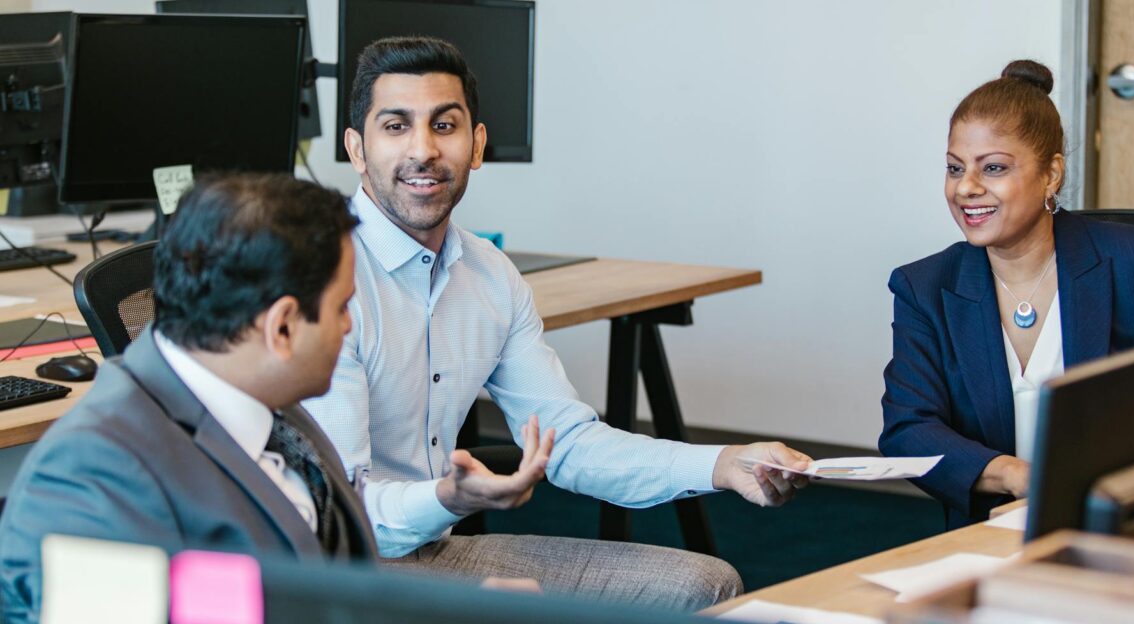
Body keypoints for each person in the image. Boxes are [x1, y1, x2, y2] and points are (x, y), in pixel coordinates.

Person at [302, 36, 812, 610]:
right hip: (331, 566)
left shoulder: (490, 275)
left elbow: (567, 443)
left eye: (444, 126)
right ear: (356, 148)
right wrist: (447, 497)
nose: (422, 149)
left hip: (435, 551)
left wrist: (721, 464)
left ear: (476, 145)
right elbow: (341, 507)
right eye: (396, 127)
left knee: (703, 585)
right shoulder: (321, 271)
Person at [0, 174, 378, 621]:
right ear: (281, 328)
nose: (349, 326)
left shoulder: (267, 399)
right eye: (341, 307)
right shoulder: (89, 476)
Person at [878, 60, 1134, 529]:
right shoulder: (924, 286)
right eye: (954, 168)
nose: (966, 187)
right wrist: (1014, 475)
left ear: (1051, 175)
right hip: (986, 533)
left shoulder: (1133, 262)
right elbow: (908, 429)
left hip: (1125, 525)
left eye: (993, 168)